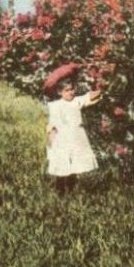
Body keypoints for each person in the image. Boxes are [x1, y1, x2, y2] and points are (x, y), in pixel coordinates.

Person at [44, 65, 101, 194]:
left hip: (76, 138)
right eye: (67, 90)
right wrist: (51, 142)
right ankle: (60, 191)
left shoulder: (76, 101)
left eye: (72, 89)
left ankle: (71, 189)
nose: (71, 92)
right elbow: (52, 124)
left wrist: (101, 87)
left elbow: (90, 96)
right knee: (62, 164)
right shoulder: (56, 105)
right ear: (59, 92)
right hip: (62, 139)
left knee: (74, 163)